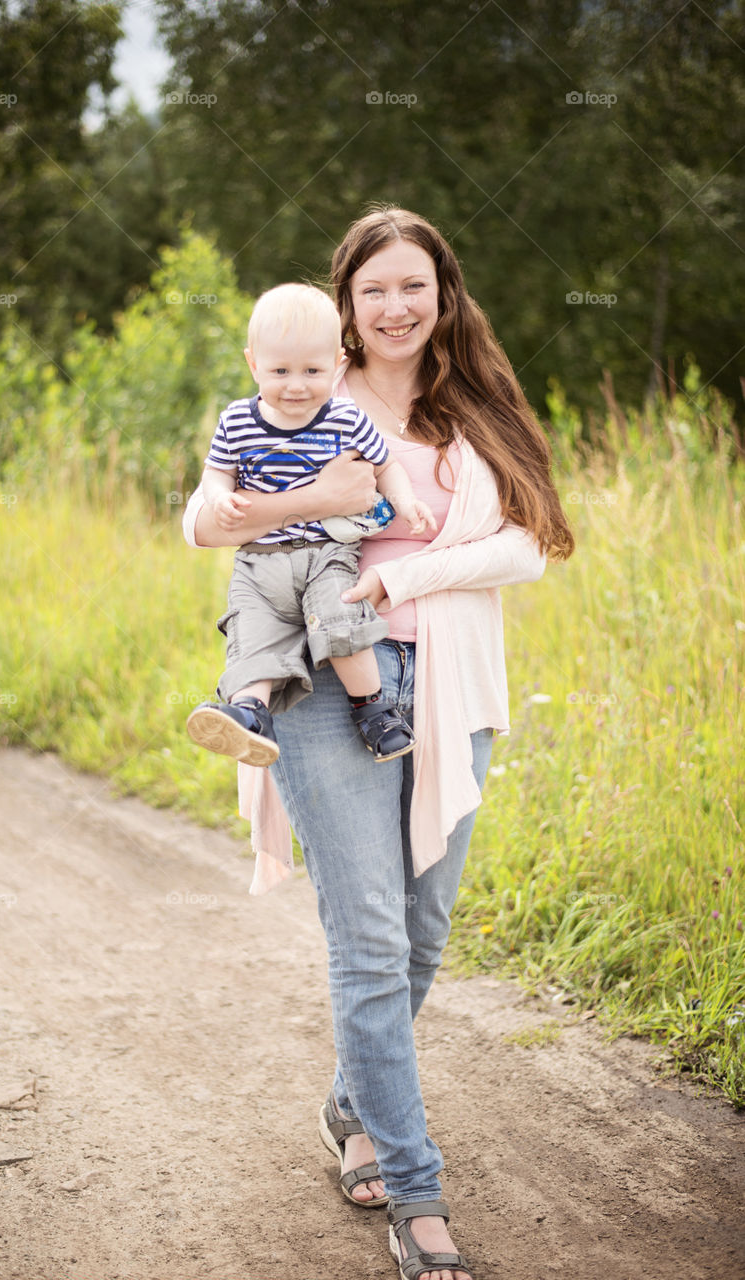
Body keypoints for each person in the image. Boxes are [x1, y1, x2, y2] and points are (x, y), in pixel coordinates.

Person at [183, 208, 574, 1280]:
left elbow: (525, 549)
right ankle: (415, 1187)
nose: (396, 307)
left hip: (449, 685)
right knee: (367, 935)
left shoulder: (475, 403)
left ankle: (353, 1101)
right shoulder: (306, 391)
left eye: (415, 285)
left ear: (441, 292)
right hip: (322, 684)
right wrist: (324, 497)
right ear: (345, 305)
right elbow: (202, 521)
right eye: (374, 291)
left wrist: (402, 572)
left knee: (423, 928)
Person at [186, 282, 437, 768]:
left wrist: (406, 504)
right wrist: (219, 499)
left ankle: (373, 709)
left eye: (312, 371)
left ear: (338, 364)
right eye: (280, 371)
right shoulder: (237, 420)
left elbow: (386, 467)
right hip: (259, 563)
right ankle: (248, 715)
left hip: (326, 555)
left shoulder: (346, 418)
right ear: (252, 362)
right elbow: (216, 472)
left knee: (341, 619)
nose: (296, 385)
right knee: (253, 633)